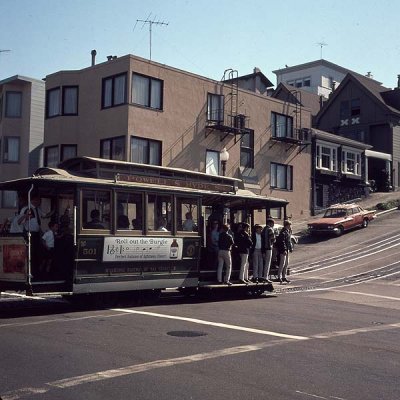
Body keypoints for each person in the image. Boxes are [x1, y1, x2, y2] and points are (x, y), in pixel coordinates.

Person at [262, 218, 276, 283]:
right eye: (273, 223)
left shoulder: (264, 229)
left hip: (263, 248)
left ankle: (261, 276)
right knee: (268, 263)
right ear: (270, 223)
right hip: (268, 247)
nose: (273, 225)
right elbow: (273, 239)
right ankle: (265, 277)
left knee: (263, 263)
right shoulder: (270, 229)